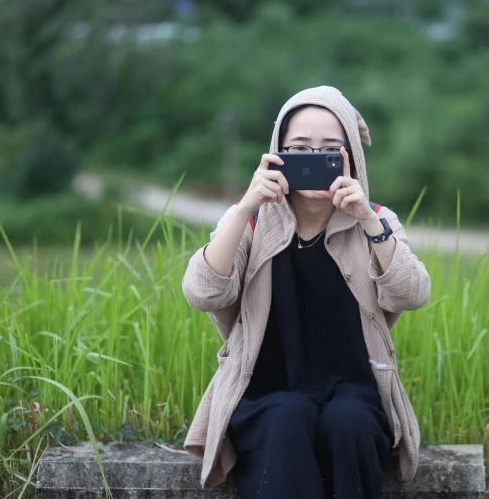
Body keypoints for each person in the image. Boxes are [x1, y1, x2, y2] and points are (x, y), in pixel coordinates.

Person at [181, 86, 431, 499]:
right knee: (288, 415)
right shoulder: (251, 219)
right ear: (277, 153)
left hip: (356, 391)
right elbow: (201, 293)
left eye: (329, 150)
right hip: (264, 391)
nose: (315, 161)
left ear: (351, 156)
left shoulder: (378, 220)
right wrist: (245, 206)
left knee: (347, 421)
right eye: (300, 149)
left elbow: (412, 293)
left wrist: (366, 218)